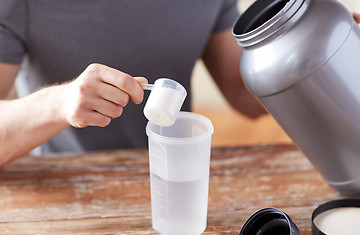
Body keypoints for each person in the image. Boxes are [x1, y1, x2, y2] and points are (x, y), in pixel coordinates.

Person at [0, 2, 359, 165]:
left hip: (179, 171)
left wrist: (324, 60)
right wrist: (59, 104)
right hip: (69, 180)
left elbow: (241, 92)